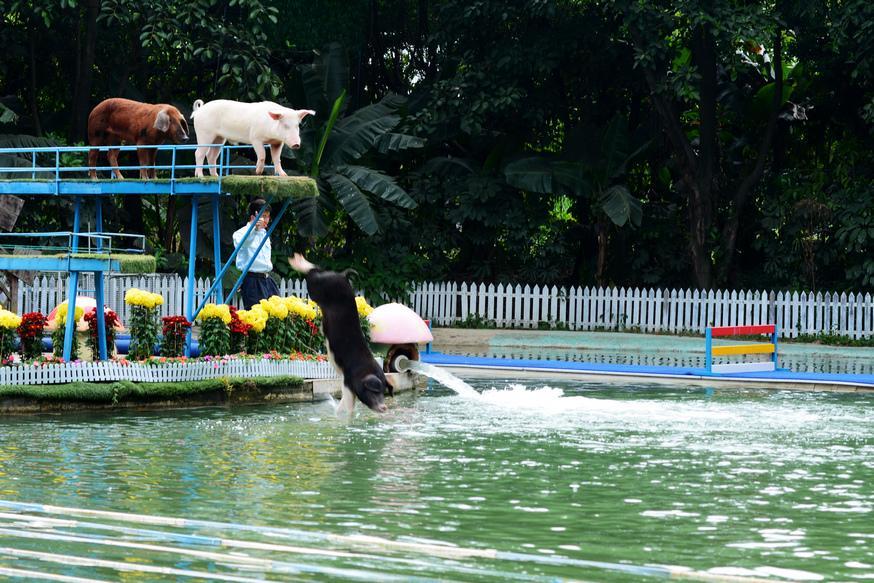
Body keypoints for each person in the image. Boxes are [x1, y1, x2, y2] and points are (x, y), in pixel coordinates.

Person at [233, 198, 280, 309]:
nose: (266, 220)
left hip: (267, 279)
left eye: (267, 216)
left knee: (276, 314)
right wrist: (254, 230)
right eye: (263, 216)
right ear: (253, 217)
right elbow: (244, 244)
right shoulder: (240, 233)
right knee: (256, 317)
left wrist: (258, 230)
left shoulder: (264, 234)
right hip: (252, 280)